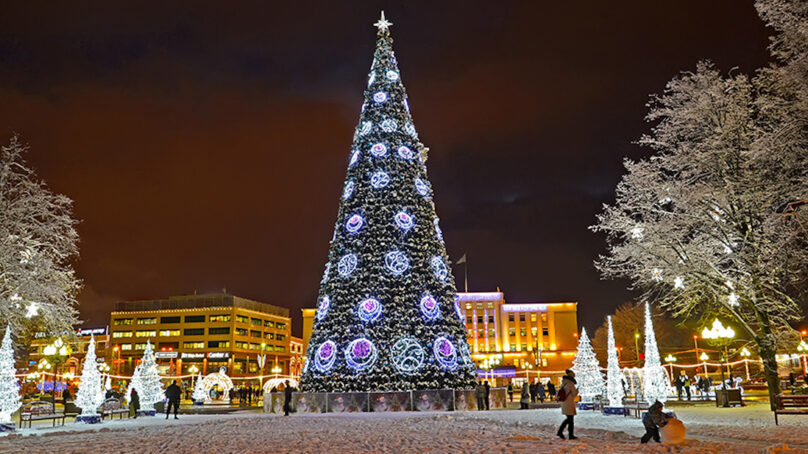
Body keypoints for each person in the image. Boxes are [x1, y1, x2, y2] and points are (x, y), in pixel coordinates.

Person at [556, 370, 578, 440]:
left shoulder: (563, 382)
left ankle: (567, 433)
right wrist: (577, 390)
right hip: (569, 403)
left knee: (569, 419)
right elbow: (574, 394)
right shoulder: (571, 384)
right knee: (570, 419)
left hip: (564, 402)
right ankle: (567, 434)